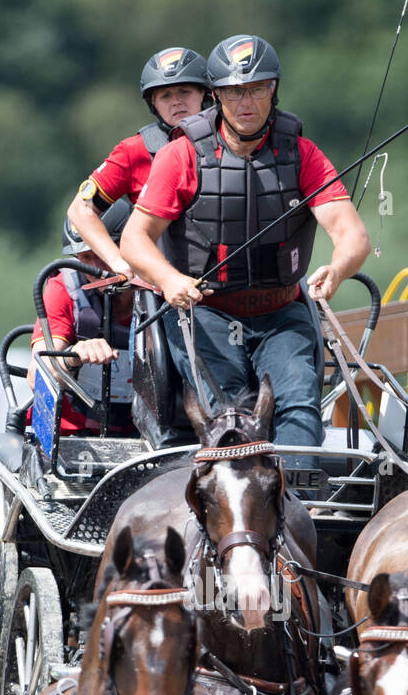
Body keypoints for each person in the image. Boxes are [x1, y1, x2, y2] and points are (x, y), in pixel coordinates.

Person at [120, 34, 371, 454]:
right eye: (235, 92)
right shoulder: (182, 156)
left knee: (298, 407)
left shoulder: (303, 155)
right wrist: (168, 279)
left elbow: (353, 236)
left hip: (281, 312)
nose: (246, 102)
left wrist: (337, 268)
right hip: (206, 314)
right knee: (232, 413)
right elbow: (135, 239)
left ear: (273, 90)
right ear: (216, 95)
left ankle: (294, 500)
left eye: (258, 88)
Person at [66, 47, 209, 278]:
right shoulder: (134, 151)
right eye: (165, 96)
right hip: (165, 296)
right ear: (153, 103)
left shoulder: (234, 139)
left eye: (185, 91)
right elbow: (80, 209)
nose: (176, 102)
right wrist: (116, 260)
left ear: (206, 94)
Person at [26, 207, 136, 437]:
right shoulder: (63, 287)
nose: (95, 269)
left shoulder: (164, 289)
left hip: (151, 439)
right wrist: (74, 355)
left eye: (102, 254)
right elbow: (39, 376)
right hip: (70, 435)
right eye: (85, 258)